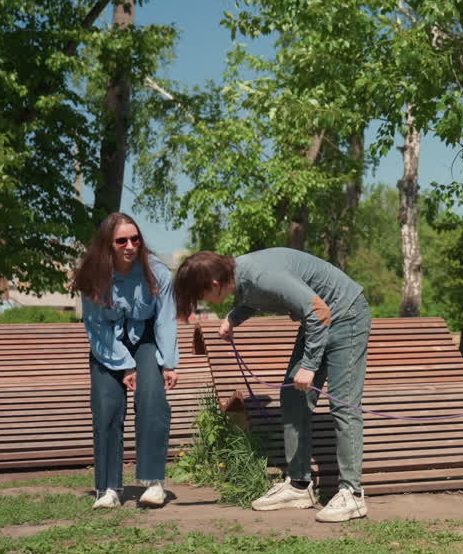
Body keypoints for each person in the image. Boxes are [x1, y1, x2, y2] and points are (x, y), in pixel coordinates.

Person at [174, 248, 371, 523]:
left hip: (346, 315)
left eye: (199, 294)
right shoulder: (241, 276)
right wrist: (234, 318)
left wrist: (309, 366)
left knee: (343, 404)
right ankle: (299, 486)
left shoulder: (261, 275)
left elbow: (319, 311)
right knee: (292, 397)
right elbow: (260, 300)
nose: (200, 301)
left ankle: (353, 494)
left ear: (215, 284)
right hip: (320, 320)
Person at [72, 213, 178, 510]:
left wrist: (168, 362)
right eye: (122, 241)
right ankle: (108, 489)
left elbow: (166, 319)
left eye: (136, 238)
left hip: (146, 339)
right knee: (107, 407)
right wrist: (124, 365)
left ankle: (154, 482)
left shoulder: (156, 271)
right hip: (107, 344)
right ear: (108, 244)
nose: (131, 245)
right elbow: (96, 327)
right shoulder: (92, 276)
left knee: (153, 399)